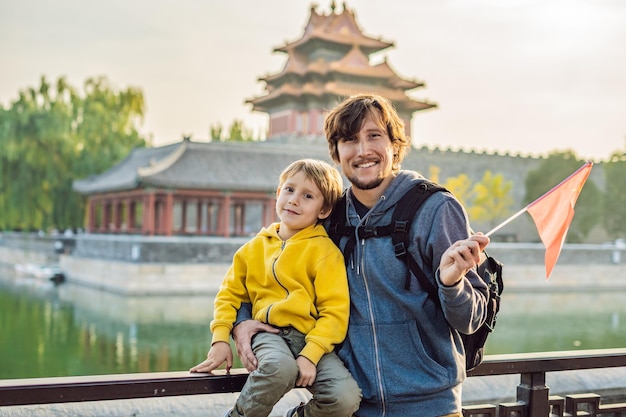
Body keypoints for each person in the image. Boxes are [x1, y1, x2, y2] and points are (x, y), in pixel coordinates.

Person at [233, 94, 490, 417]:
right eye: (349, 139)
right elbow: (262, 269)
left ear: (394, 146)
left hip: (430, 406)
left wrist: (451, 284)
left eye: (374, 136)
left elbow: (472, 320)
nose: (362, 150)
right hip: (354, 406)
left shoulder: (435, 209)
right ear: (336, 152)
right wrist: (242, 324)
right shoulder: (329, 217)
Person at [190, 158, 361, 417]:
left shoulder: (325, 252)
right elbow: (229, 295)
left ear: (323, 210)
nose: (294, 200)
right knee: (280, 368)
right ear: (278, 194)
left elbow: (335, 312)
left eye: (307, 196)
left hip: (310, 339)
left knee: (344, 397)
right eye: (289, 190)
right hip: (268, 332)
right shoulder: (252, 249)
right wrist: (220, 338)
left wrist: (310, 355)